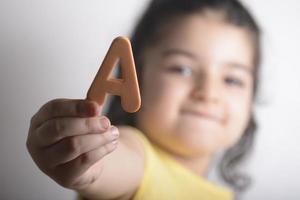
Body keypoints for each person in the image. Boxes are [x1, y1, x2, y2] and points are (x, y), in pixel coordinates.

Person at [26, 0, 261, 199]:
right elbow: (113, 165)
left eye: (232, 80)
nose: (208, 93)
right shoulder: (135, 156)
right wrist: (89, 164)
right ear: (137, 75)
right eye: (182, 69)